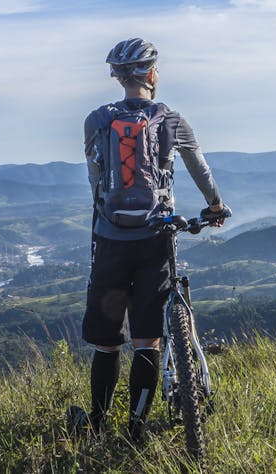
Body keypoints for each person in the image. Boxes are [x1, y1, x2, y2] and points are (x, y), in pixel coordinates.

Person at [69, 37, 227, 442]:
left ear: (118, 77)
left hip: (109, 239)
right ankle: (136, 429)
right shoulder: (171, 119)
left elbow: (94, 179)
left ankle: (98, 425)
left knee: (106, 344)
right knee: (147, 340)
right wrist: (215, 206)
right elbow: (199, 169)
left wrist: (107, 217)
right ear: (153, 74)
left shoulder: (96, 120)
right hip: (156, 239)